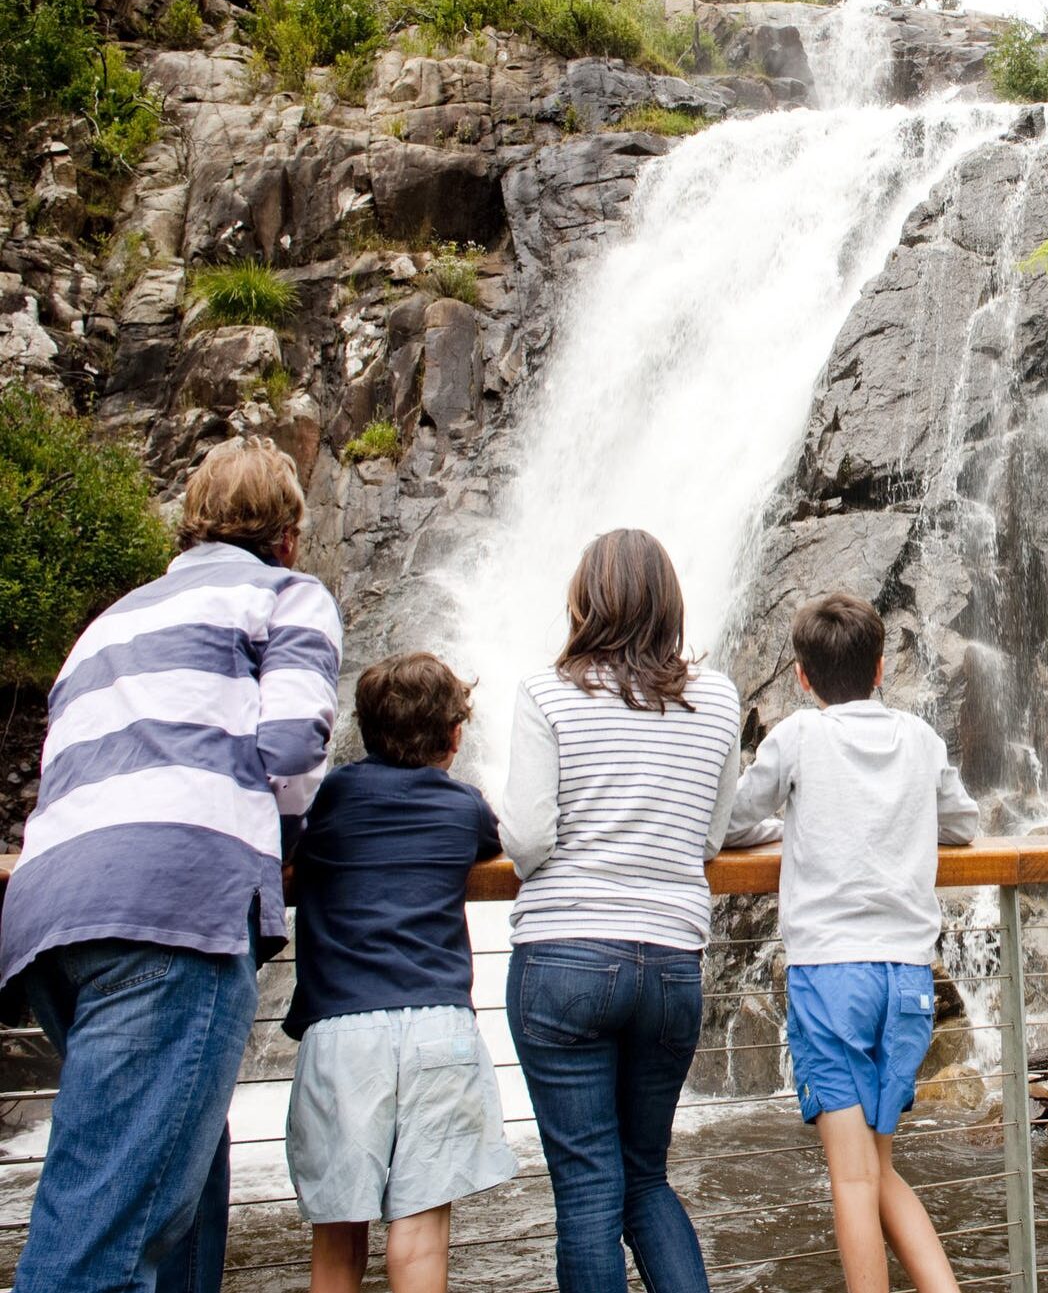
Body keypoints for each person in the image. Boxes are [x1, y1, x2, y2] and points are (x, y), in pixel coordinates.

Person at [0, 436, 342, 1293]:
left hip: (50, 913)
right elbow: (295, 743)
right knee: (107, 1231)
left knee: (165, 1183)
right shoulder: (286, 594)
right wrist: (281, 854)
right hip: (172, 909)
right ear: (291, 535)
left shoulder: (110, 621)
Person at [499, 528, 745, 1293]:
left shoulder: (547, 692)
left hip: (565, 957)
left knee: (586, 1188)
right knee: (646, 1178)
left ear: (586, 599)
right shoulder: (720, 698)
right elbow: (711, 834)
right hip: (671, 964)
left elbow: (530, 839)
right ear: (669, 604)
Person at [722, 591, 980, 1293]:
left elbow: (729, 821)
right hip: (905, 974)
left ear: (802, 679)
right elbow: (962, 823)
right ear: (881, 668)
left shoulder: (798, 738)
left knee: (851, 1174)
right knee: (879, 1164)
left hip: (830, 974)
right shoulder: (920, 739)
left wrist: (788, 825)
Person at [283, 651, 517, 1293]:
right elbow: (495, 843)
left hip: (342, 1031)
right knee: (418, 1237)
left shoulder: (330, 797)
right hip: (437, 1026)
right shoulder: (462, 806)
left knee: (336, 1237)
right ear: (454, 736)